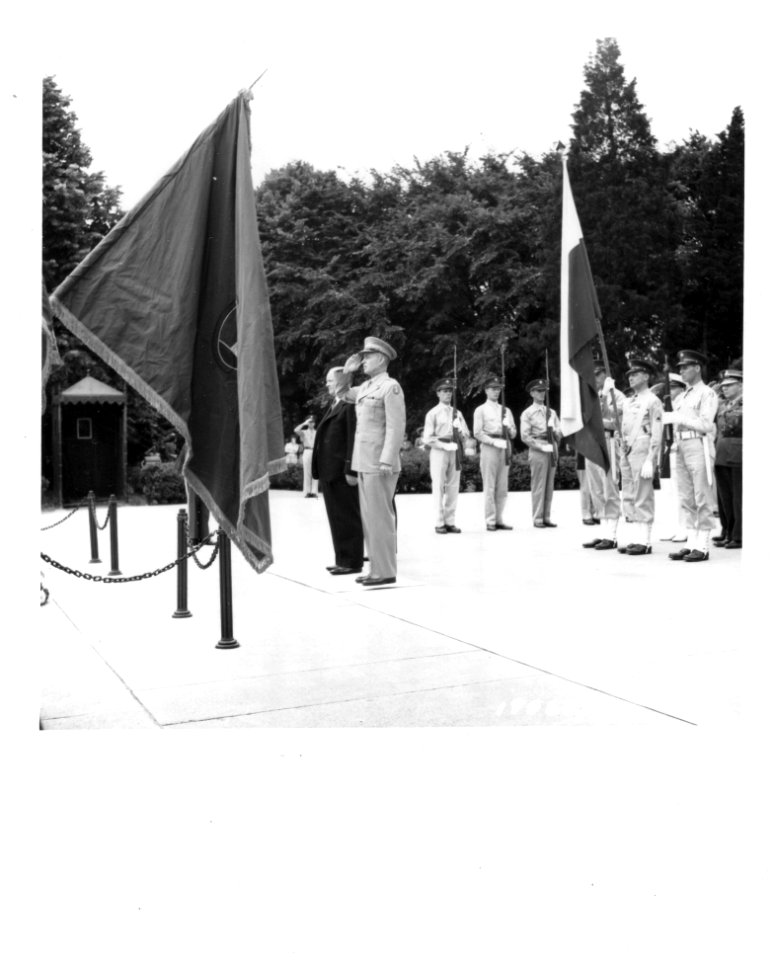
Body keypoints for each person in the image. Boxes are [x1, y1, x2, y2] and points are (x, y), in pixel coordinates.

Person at [341, 336, 406, 586]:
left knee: (381, 518)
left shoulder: (390, 387)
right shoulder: (367, 387)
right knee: (369, 519)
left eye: (367, 357)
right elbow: (342, 393)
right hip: (364, 460)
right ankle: (376, 568)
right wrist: (347, 372)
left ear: (380, 359)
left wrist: (387, 459)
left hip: (380, 463)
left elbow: (395, 426)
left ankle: (385, 570)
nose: (363, 361)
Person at [662, 349, 719, 562]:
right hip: (681, 444)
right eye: (680, 368)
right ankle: (691, 542)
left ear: (697, 368)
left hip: (698, 442)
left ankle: (703, 545)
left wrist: (678, 417)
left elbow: (706, 424)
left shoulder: (707, 393)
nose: (682, 371)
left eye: (686, 367)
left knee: (701, 494)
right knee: (686, 496)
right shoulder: (684, 395)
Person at [311, 366, 364, 575]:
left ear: (342, 381)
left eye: (330, 380)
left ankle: (352, 561)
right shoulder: (337, 404)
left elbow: (352, 439)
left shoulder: (349, 405)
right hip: (329, 471)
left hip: (342, 472)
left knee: (347, 516)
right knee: (337, 517)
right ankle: (342, 558)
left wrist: (351, 469)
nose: (327, 384)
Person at [616, 357, 663, 555]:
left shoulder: (652, 400)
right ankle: (635, 536)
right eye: (629, 375)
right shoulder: (628, 401)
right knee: (628, 491)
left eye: (635, 374)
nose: (631, 378)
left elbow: (657, 430)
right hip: (627, 447)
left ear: (646, 376)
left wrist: (651, 458)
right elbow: (612, 417)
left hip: (643, 445)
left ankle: (645, 540)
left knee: (642, 492)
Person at [582, 362, 625, 550]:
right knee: (596, 489)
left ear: (605, 376)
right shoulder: (591, 397)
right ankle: (603, 531)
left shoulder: (617, 396)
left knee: (610, 488)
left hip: (608, 441)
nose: (594, 379)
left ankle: (612, 534)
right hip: (592, 443)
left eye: (598, 375)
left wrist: (600, 423)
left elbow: (618, 423)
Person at [422, 377, 470, 533]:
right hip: (440, 451)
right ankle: (439, 522)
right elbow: (428, 438)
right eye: (444, 391)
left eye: (450, 391)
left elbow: (467, 434)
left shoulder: (458, 413)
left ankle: (450, 521)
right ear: (438, 394)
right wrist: (444, 445)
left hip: (455, 449)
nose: (448, 394)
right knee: (438, 486)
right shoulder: (433, 413)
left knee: (453, 486)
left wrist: (461, 431)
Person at [472, 376, 517, 531]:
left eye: (498, 389)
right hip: (490, 446)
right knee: (490, 485)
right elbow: (477, 432)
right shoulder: (481, 410)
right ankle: (490, 520)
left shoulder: (506, 410)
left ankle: (499, 518)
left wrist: (509, 428)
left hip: (505, 446)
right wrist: (492, 441)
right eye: (492, 388)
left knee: (502, 486)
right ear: (486, 390)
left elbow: (514, 433)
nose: (496, 391)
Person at [520, 379, 562, 528]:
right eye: (538, 391)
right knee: (539, 484)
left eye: (543, 390)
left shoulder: (552, 412)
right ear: (532, 393)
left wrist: (555, 430)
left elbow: (560, 433)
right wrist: (540, 447)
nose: (541, 393)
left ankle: (547, 516)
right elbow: (525, 436)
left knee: (549, 484)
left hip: (552, 447)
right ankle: (538, 518)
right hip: (539, 447)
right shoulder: (528, 413)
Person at [656, 373, 689, 543]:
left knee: (680, 492)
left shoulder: (684, 404)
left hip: (678, 450)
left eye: (674, 387)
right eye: (669, 388)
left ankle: (684, 528)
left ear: (682, 388)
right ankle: (673, 527)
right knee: (668, 493)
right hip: (666, 452)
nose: (670, 391)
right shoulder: (666, 405)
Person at [713, 366, 743, 549]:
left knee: (738, 497)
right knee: (724, 497)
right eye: (723, 386)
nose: (725, 388)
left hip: (738, 454)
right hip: (722, 453)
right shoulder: (723, 404)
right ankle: (728, 530)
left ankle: (739, 535)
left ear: (741, 385)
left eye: (730, 385)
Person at [294, 415, 319, 498]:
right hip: (307, 450)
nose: (311, 423)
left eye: (312, 422)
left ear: (315, 423)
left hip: (315, 451)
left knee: (315, 472)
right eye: (310, 422)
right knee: (307, 471)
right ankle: (307, 491)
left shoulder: (317, 432)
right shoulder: (304, 432)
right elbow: (296, 430)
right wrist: (304, 423)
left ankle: (314, 491)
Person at [576, 453, 599, 525]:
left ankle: (593, 512)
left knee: (594, 487)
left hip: (594, 458)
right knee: (585, 488)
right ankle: (586, 514)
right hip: (583, 458)